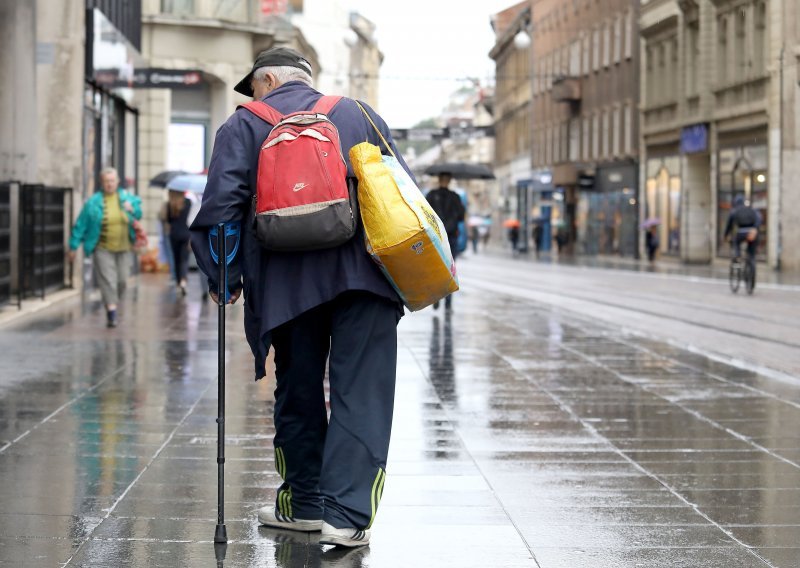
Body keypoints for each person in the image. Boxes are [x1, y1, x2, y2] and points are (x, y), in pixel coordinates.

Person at [189, 46, 412, 548]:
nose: (254, 95)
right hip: (366, 277)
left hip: (289, 284)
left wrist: (225, 280)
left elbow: (221, 207)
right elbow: (399, 188)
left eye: (255, 87)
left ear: (267, 80)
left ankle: (304, 503)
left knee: (299, 386)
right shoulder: (359, 113)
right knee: (363, 391)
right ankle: (347, 515)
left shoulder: (244, 125)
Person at [68, 167, 142, 328]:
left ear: (117, 182)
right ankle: (111, 311)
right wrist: (73, 246)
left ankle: (111, 301)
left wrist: (132, 209)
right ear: (102, 183)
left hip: (124, 247)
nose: (109, 184)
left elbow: (138, 213)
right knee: (108, 280)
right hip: (102, 247)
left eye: (112, 181)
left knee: (122, 280)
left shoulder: (126, 198)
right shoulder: (93, 202)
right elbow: (81, 225)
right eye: (106, 181)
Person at [425, 173, 465, 310]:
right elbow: (461, 216)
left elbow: (423, 211)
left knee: (436, 267)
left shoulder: (431, 195)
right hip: (451, 236)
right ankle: (448, 301)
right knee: (450, 269)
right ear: (448, 181)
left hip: (435, 235)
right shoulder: (455, 197)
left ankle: (437, 297)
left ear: (439, 180)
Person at [165, 190, 193, 296]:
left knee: (176, 259)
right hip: (186, 233)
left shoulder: (170, 204)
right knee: (184, 259)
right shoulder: (188, 202)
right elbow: (191, 218)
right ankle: (183, 281)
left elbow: (168, 220)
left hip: (174, 234)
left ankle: (178, 283)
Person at [724, 196, 761, 262]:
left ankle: (738, 254)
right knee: (751, 250)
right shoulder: (750, 209)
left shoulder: (734, 211)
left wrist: (726, 235)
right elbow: (758, 218)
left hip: (741, 232)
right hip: (751, 233)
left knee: (736, 242)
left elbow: (729, 225)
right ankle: (751, 257)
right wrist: (755, 228)